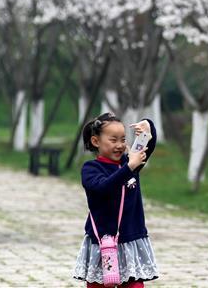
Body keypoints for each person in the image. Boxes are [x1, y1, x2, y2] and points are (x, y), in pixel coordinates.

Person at [73, 112, 159, 287]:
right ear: (96, 141)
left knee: (134, 285)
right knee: (98, 285)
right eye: (113, 140)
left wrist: (147, 127)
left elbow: (147, 146)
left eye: (123, 140)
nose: (120, 145)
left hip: (131, 238)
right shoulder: (91, 169)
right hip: (103, 242)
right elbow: (104, 187)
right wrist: (130, 167)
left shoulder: (129, 163)